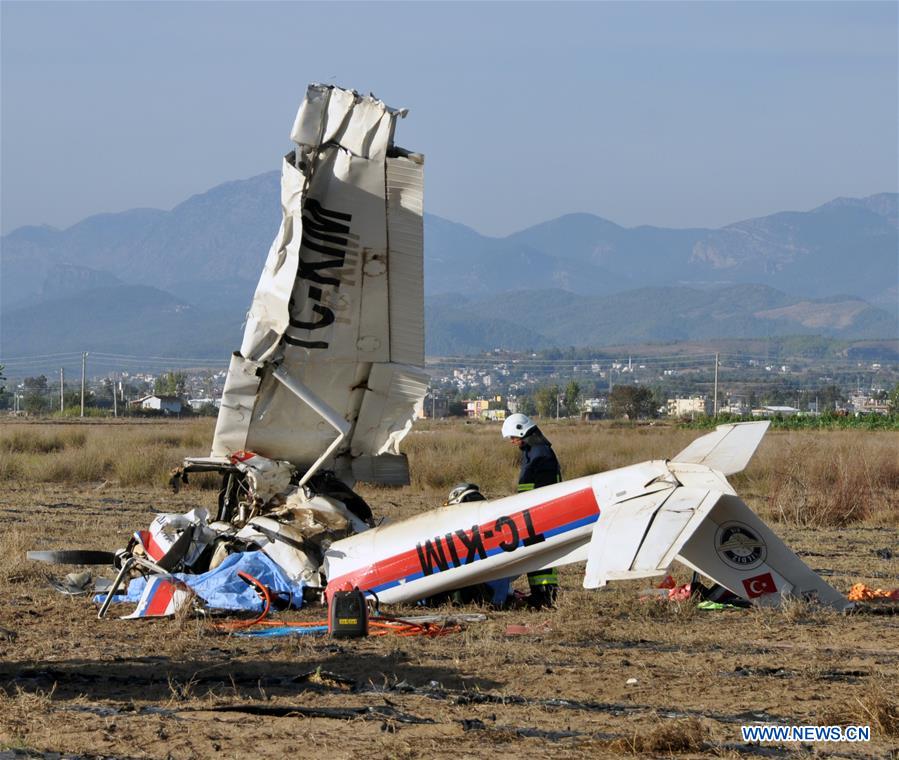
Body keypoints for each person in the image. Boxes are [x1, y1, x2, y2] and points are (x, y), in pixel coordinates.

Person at [501, 413, 561, 607]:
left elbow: (541, 488)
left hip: (541, 514)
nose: (511, 441)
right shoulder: (533, 451)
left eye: (513, 437)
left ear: (522, 430)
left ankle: (545, 596)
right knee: (535, 555)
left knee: (541, 556)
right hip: (531, 513)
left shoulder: (540, 454)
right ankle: (540, 595)